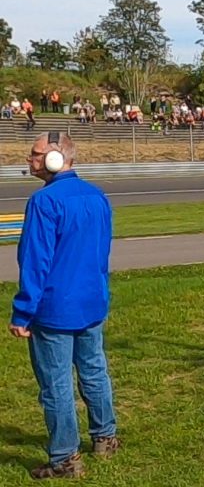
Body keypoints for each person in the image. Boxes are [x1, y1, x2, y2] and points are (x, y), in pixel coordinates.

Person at [8, 132, 120, 479]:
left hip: (55, 309)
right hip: (92, 303)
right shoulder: (97, 196)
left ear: (57, 159)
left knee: (56, 384)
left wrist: (23, 311)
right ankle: (105, 437)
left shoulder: (44, 202)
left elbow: (35, 261)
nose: (30, 160)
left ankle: (65, 459)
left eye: (36, 155)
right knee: (94, 371)